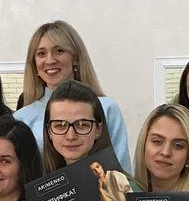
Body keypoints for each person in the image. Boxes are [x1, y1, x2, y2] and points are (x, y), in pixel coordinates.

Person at [14, 20, 131, 170]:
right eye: (41, 54)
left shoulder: (107, 108)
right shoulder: (21, 119)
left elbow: (122, 169)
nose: (50, 60)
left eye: (59, 51)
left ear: (75, 58)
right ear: (34, 63)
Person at [133, 104, 189, 194]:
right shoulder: (124, 198)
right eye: (157, 141)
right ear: (143, 144)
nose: (166, 152)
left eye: (178, 145)